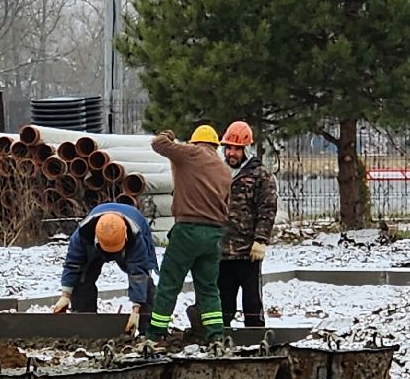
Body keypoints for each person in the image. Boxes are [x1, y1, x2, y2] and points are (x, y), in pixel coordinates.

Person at [146, 124, 231, 340]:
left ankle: (156, 333)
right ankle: (215, 335)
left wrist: (168, 134)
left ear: (195, 142)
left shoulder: (192, 154)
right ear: (216, 145)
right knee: (209, 288)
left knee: (169, 283)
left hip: (188, 230)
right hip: (213, 234)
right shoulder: (223, 170)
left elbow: (158, 144)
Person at [51, 202, 158, 335]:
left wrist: (137, 311)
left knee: (145, 282)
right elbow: (73, 264)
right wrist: (65, 295)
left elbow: (138, 273)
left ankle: (147, 329)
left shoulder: (136, 238)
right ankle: (85, 325)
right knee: (82, 279)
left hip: (133, 226)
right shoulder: (82, 236)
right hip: (94, 244)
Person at [217, 120, 277, 328]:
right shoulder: (218, 172)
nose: (232, 153)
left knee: (251, 301)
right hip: (222, 251)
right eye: (229, 148)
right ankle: (222, 338)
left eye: (237, 149)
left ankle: (255, 337)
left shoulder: (260, 176)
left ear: (246, 149)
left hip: (248, 252)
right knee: (223, 302)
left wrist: (261, 240)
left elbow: (267, 209)